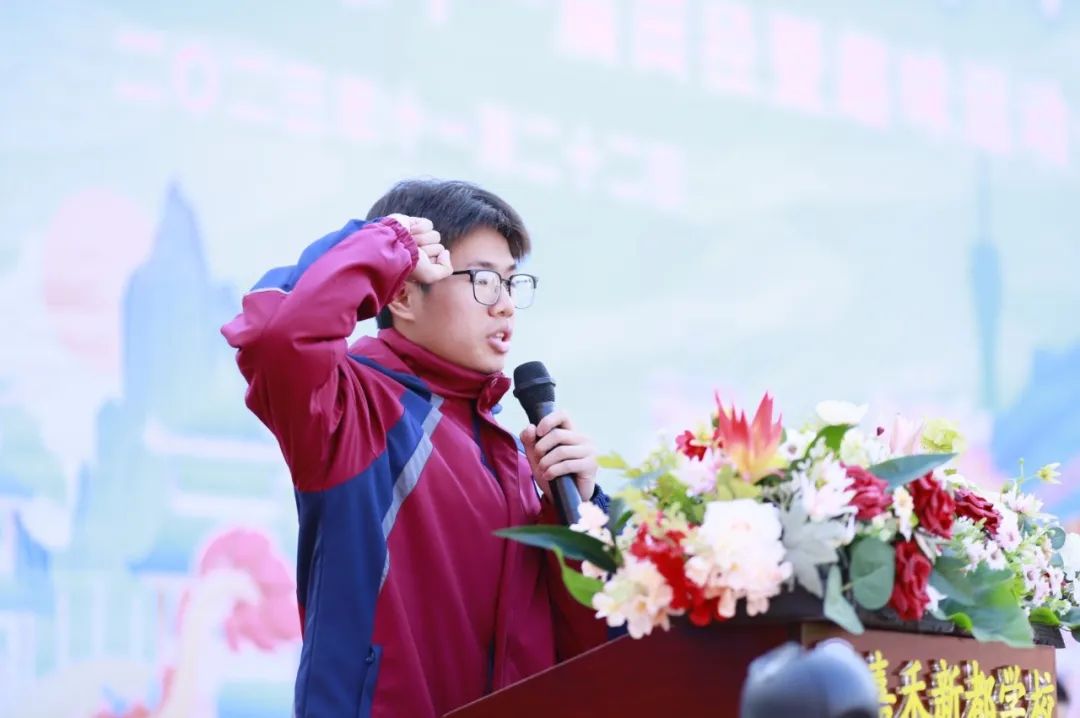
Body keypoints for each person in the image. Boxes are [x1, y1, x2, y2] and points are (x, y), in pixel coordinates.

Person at [221, 179, 609, 717]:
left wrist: (577, 517)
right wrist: (388, 244)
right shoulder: (355, 408)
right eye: (483, 280)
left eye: (511, 282)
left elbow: (589, 658)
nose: (505, 307)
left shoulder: (522, 465)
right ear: (402, 295)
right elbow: (276, 333)